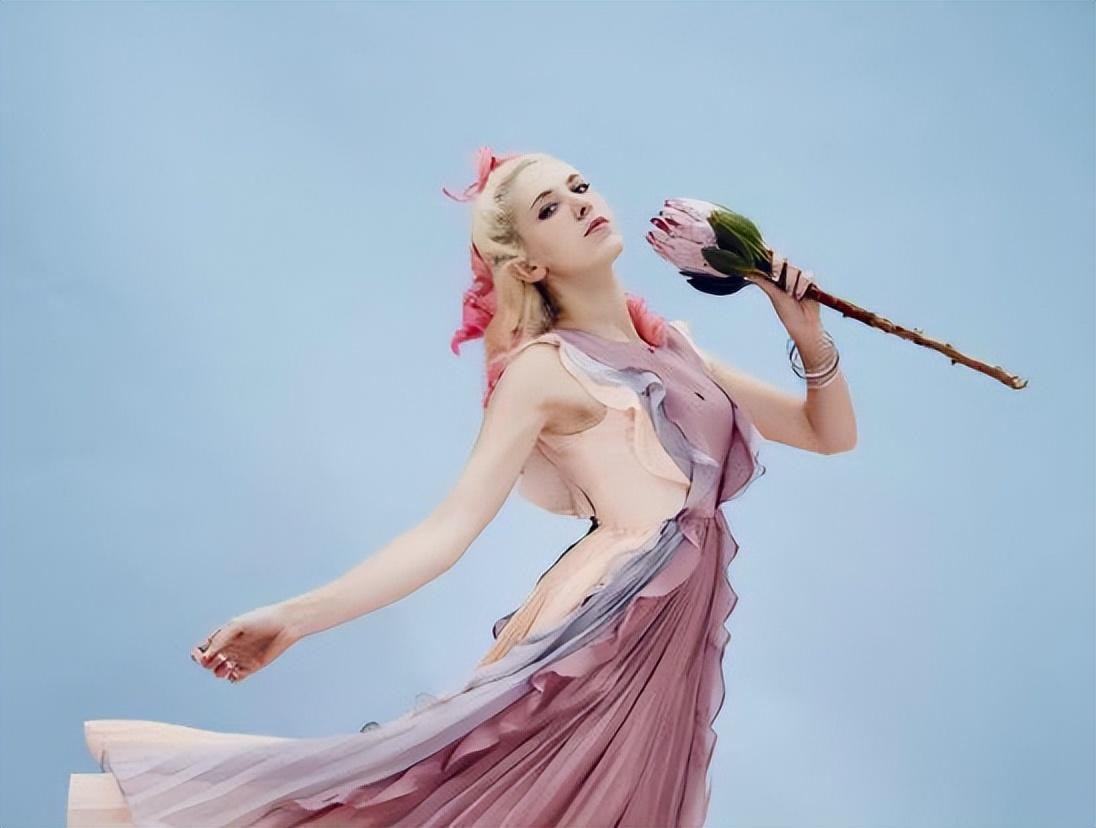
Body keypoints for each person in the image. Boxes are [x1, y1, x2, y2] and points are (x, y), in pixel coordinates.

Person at [76, 148, 857, 827]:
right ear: (528, 264)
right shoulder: (543, 371)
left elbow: (828, 434)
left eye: (580, 187)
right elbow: (447, 531)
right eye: (549, 208)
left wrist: (807, 332)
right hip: (601, 629)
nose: (579, 204)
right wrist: (295, 618)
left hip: (670, 637)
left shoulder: (675, 350)